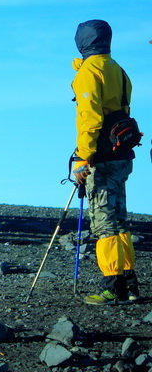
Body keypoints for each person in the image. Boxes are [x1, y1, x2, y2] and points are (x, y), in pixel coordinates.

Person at [70, 19, 140, 305]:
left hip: (101, 156)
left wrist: (83, 158)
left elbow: (90, 119)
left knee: (104, 224)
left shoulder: (89, 73)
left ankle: (114, 287)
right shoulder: (117, 70)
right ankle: (130, 284)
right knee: (119, 219)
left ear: (83, 42)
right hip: (122, 154)